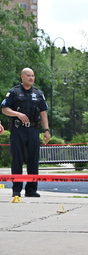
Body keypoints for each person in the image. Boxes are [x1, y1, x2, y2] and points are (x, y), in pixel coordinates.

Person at [1, 68, 50, 197]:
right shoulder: (14, 92)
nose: (31, 78)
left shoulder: (38, 93)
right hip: (19, 129)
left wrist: (46, 130)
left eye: (33, 75)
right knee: (17, 159)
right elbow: (4, 109)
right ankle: (16, 189)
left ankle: (31, 189)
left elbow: (43, 112)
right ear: (22, 77)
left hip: (33, 129)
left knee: (33, 159)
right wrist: (17, 114)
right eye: (28, 75)